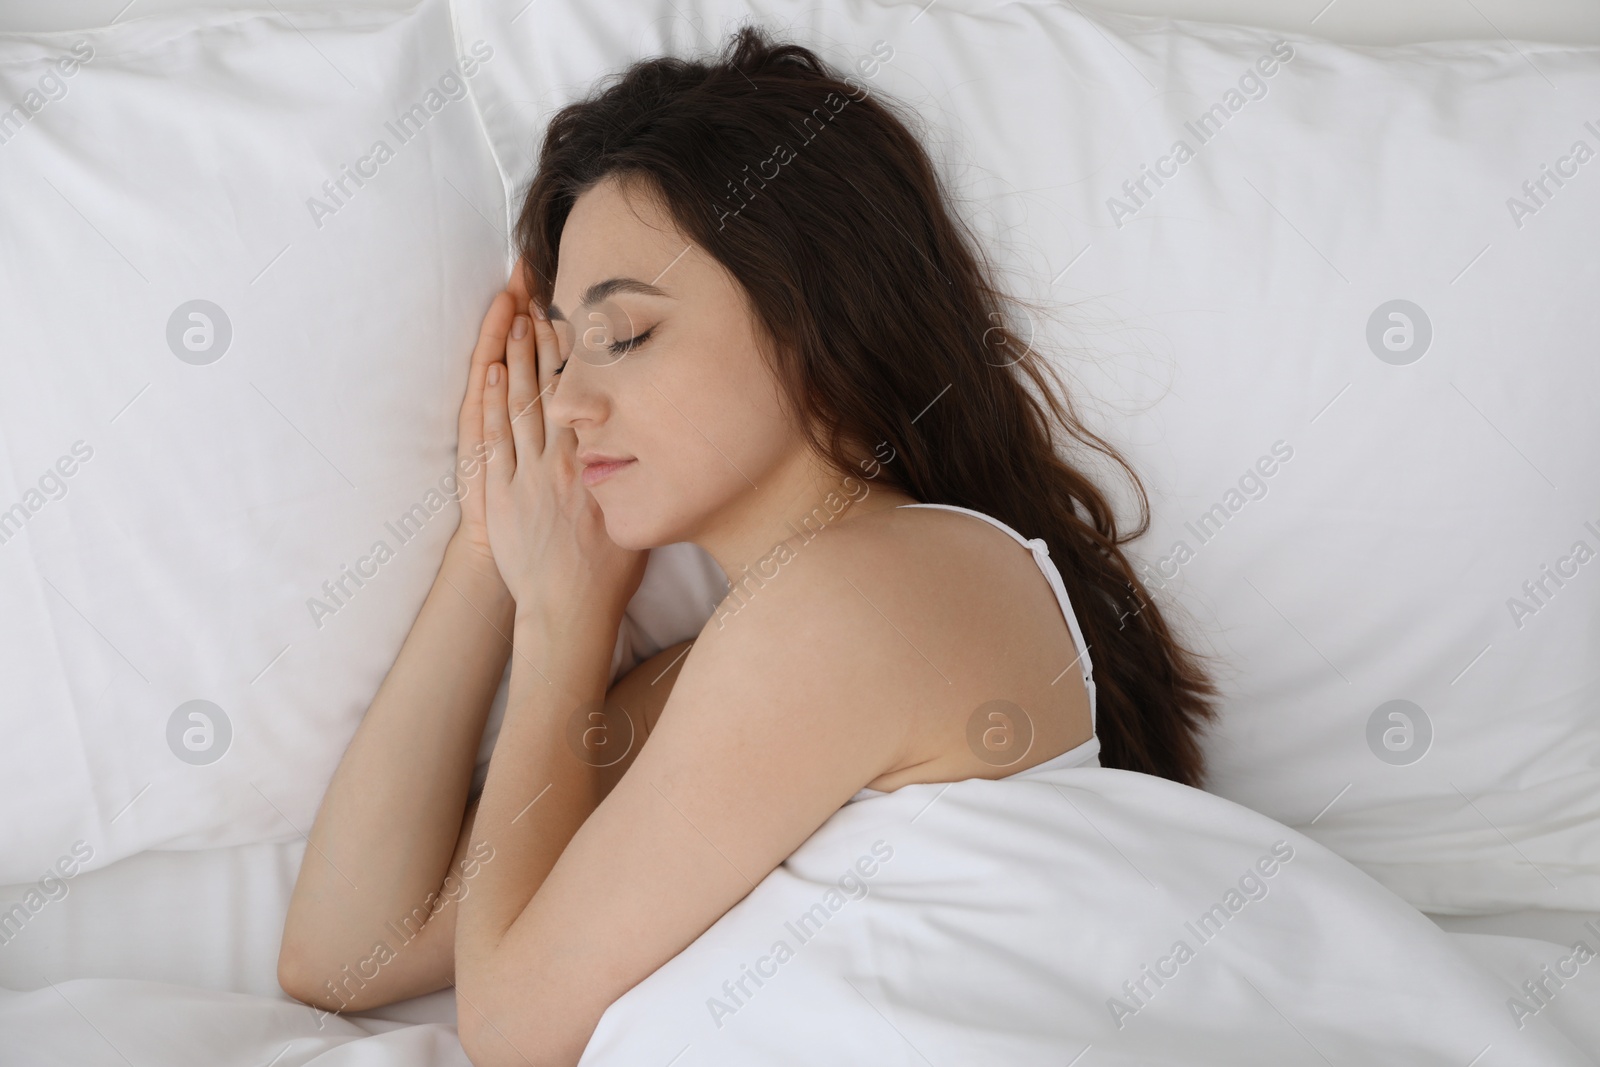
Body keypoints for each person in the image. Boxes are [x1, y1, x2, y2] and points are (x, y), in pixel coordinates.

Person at [278, 24, 1219, 1067]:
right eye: (557, 354)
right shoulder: (724, 664)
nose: (571, 402)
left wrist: (561, 624)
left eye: (625, 335)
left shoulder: (861, 597)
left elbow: (510, 1031)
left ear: (811, 313)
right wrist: (490, 545)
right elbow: (344, 953)